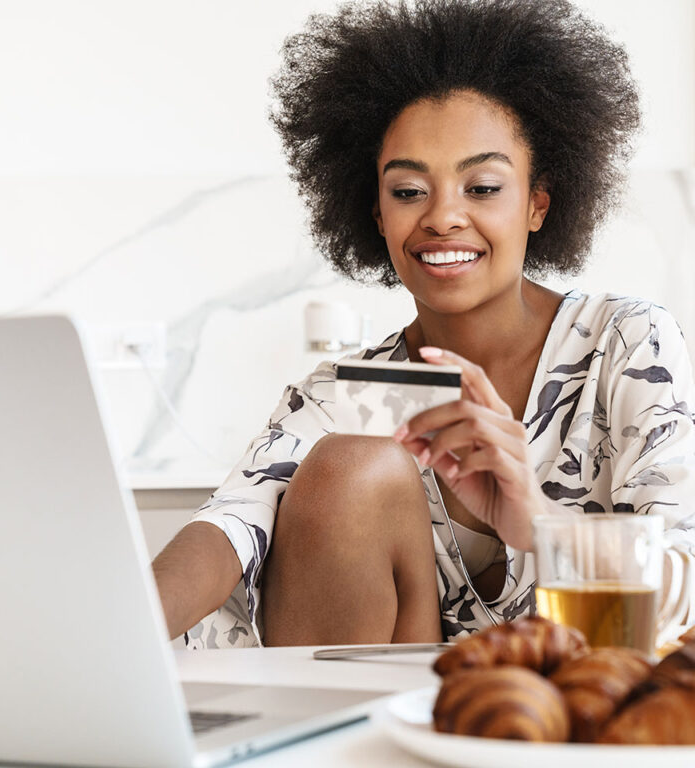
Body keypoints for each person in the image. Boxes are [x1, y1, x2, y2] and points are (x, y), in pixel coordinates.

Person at [152, 0, 695, 648]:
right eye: (409, 191)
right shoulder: (340, 393)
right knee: (347, 468)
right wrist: (103, 636)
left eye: (483, 188)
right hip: (388, 722)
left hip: (578, 716)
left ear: (538, 203)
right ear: (376, 214)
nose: (442, 217)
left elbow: (683, 593)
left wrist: (538, 523)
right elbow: (228, 527)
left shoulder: (626, 344)